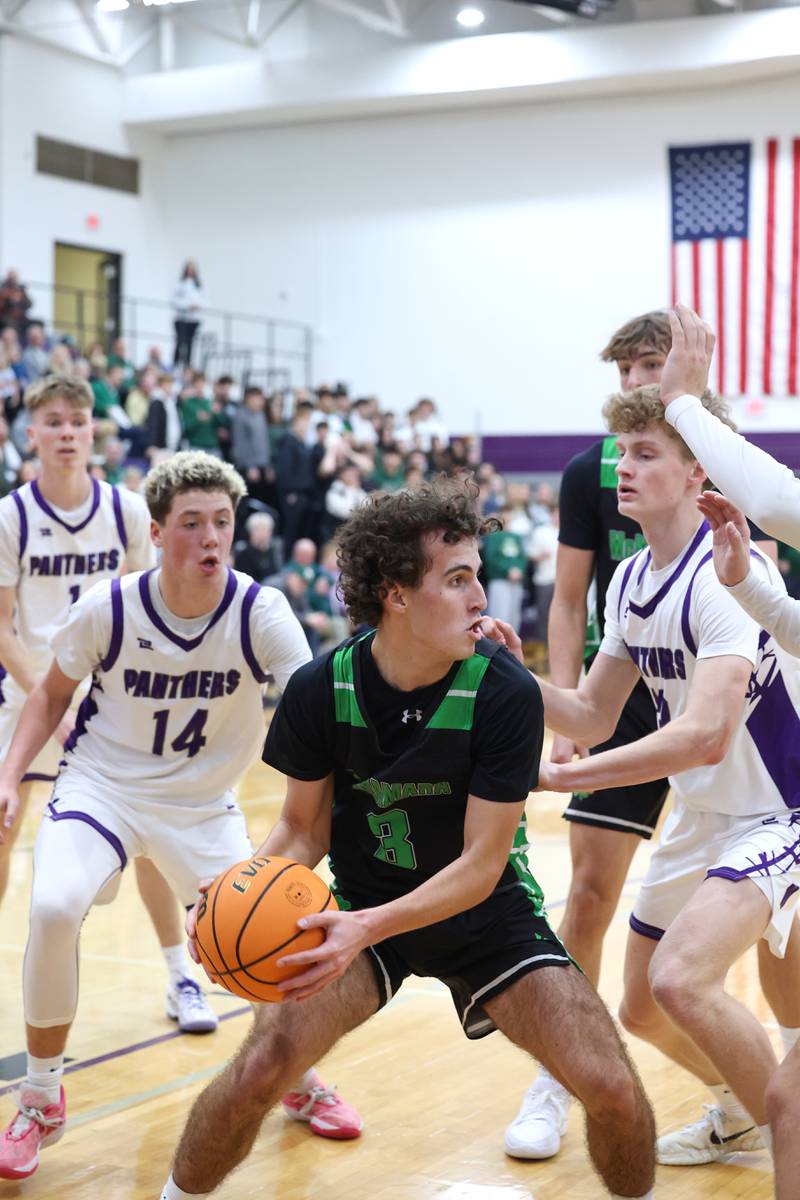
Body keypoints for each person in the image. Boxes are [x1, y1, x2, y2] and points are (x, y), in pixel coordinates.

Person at [159, 477, 657, 1200]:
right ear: (395, 594)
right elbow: (301, 830)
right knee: (262, 1067)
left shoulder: (503, 691)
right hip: (365, 912)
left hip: (488, 919)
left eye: (476, 578)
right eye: (456, 581)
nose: (480, 599)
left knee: (610, 1084)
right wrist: (240, 886)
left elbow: (485, 866)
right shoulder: (320, 688)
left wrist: (362, 925)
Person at [0, 451, 363, 1181]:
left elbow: (315, 708)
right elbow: (48, 696)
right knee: (55, 906)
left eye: (222, 523)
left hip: (201, 805)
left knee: (277, 937)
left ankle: (294, 1075)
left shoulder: (260, 610)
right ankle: (40, 1096)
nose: (209, 538)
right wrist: (9, 775)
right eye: (191, 523)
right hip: (103, 787)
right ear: (158, 532)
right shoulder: (110, 604)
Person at [505, 309, 791, 1163]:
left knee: (681, 979)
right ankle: (740, 1115)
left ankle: (789, 1134)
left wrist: (563, 783)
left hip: (782, 808)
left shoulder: (731, 569)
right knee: (638, 1006)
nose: (622, 469)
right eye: (622, 454)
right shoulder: (631, 576)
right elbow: (593, 714)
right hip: (705, 818)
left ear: (699, 469)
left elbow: (706, 734)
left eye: (645, 455)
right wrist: (503, 672)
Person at [0, 376, 222, 1035]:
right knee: (5, 824)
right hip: (29, 695)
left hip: (112, 698)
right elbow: (3, 629)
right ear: (31, 433)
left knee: (151, 837)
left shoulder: (127, 511)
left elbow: (144, 603)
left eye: (77, 421)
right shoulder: (11, 516)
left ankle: (180, 973)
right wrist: (55, 695)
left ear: (93, 430)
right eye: (53, 422)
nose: (67, 433)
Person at [652, 303, 800, 1199]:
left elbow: (779, 498)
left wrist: (687, 403)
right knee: (786, 1084)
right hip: (727, 811)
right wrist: (749, 582)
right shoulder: (642, 577)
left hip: (768, 809)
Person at [172, 262, 203, 370]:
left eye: (192, 269)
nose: (190, 271)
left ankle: (187, 366)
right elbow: (174, 300)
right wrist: (187, 305)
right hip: (182, 318)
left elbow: (203, 300)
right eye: (189, 269)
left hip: (193, 319)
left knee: (190, 344)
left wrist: (197, 305)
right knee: (180, 343)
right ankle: (176, 365)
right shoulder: (180, 284)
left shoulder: (198, 285)